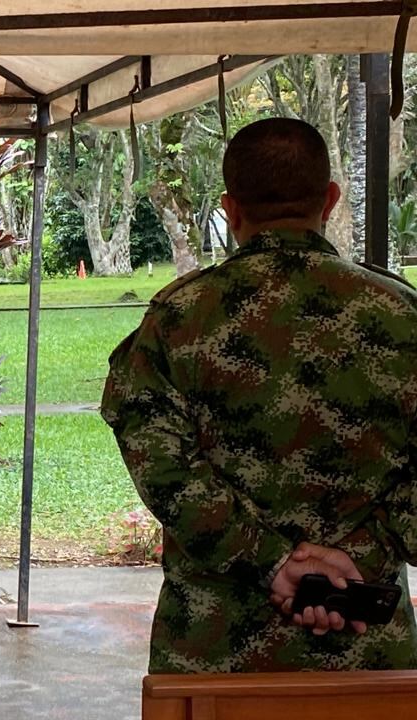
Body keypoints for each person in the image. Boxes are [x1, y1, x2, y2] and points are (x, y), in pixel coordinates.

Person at [101, 117, 417, 673]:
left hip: (214, 647)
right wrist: (358, 561)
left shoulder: (179, 318)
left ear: (230, 208)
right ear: (330, 198)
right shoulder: (402, 315)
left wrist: (272, 563)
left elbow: (164, 468)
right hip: (366, 639)